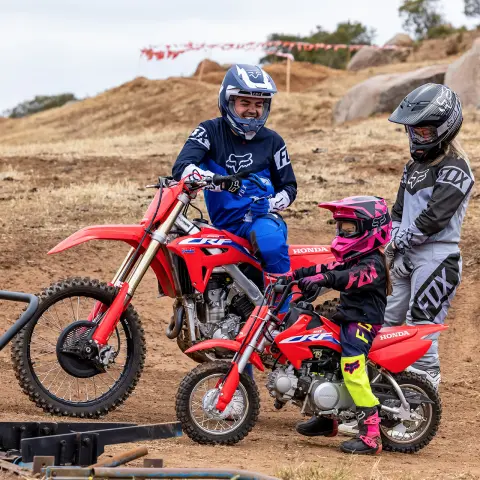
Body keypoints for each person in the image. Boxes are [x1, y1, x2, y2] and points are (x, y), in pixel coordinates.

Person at [284, 196, 392, 455]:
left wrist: (323, 279)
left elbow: (345, 278)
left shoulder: (372, 264)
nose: (343, 232)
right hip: (346, 316)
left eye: (349, 228)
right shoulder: (354, 256)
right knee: (322, 358)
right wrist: (293, 276)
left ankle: (370, 434)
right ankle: (326, 417)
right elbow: (328, 266)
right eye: (341, 227)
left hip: (362, 323)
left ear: (370, 229)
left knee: (352, 369)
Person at [383, 83, 474, 389]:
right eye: (413, 132)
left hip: (438, 255)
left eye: (424, 132)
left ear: (444, 129)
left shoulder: (456, 169)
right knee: (386, 319)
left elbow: (434, 218)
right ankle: (383, 391)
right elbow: (398, 211)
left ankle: (423, 396)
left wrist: (398, 245)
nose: (417, 138)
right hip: (407, 253)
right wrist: (395, 245)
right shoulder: (412, 168)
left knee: (421, 323)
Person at [172, 64, 297, 279]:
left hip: (261, 220)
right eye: (245, 102)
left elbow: (289, 187)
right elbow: (181, 168)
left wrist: (270, 204)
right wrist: (217, 180)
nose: (252, 109)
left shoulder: (273, 141)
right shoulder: (209, 131)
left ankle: (280, 309)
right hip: (222, 225)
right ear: (228, 102)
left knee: (268, 240)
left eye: (259, 104)